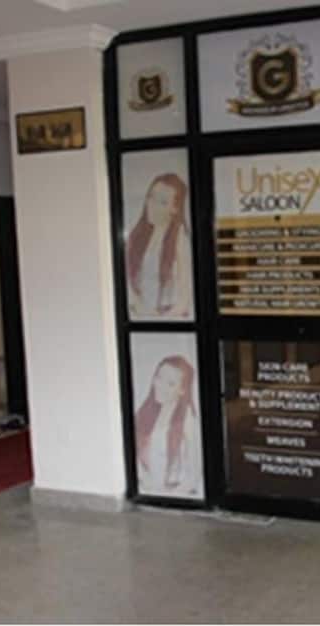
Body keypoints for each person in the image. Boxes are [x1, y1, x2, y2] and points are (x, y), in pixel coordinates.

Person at [126, 173, 193, 319]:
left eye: (162, 202)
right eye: (151, 197)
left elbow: (184, 300)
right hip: (140, 318)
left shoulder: (180, 239)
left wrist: (157, 319)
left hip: (167, 320)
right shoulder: (138, 235)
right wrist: (138, 308)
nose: (152, 205)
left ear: (174, 208)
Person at [134, 355, 203, 497]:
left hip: (175, 495)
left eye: (171, 383)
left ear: (182, 390)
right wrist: (144, 481)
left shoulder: (187, 420)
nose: (160, 386)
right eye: (159, 378)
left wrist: (168, 496)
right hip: (146, 492)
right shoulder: (145, 413)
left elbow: (193, 475)